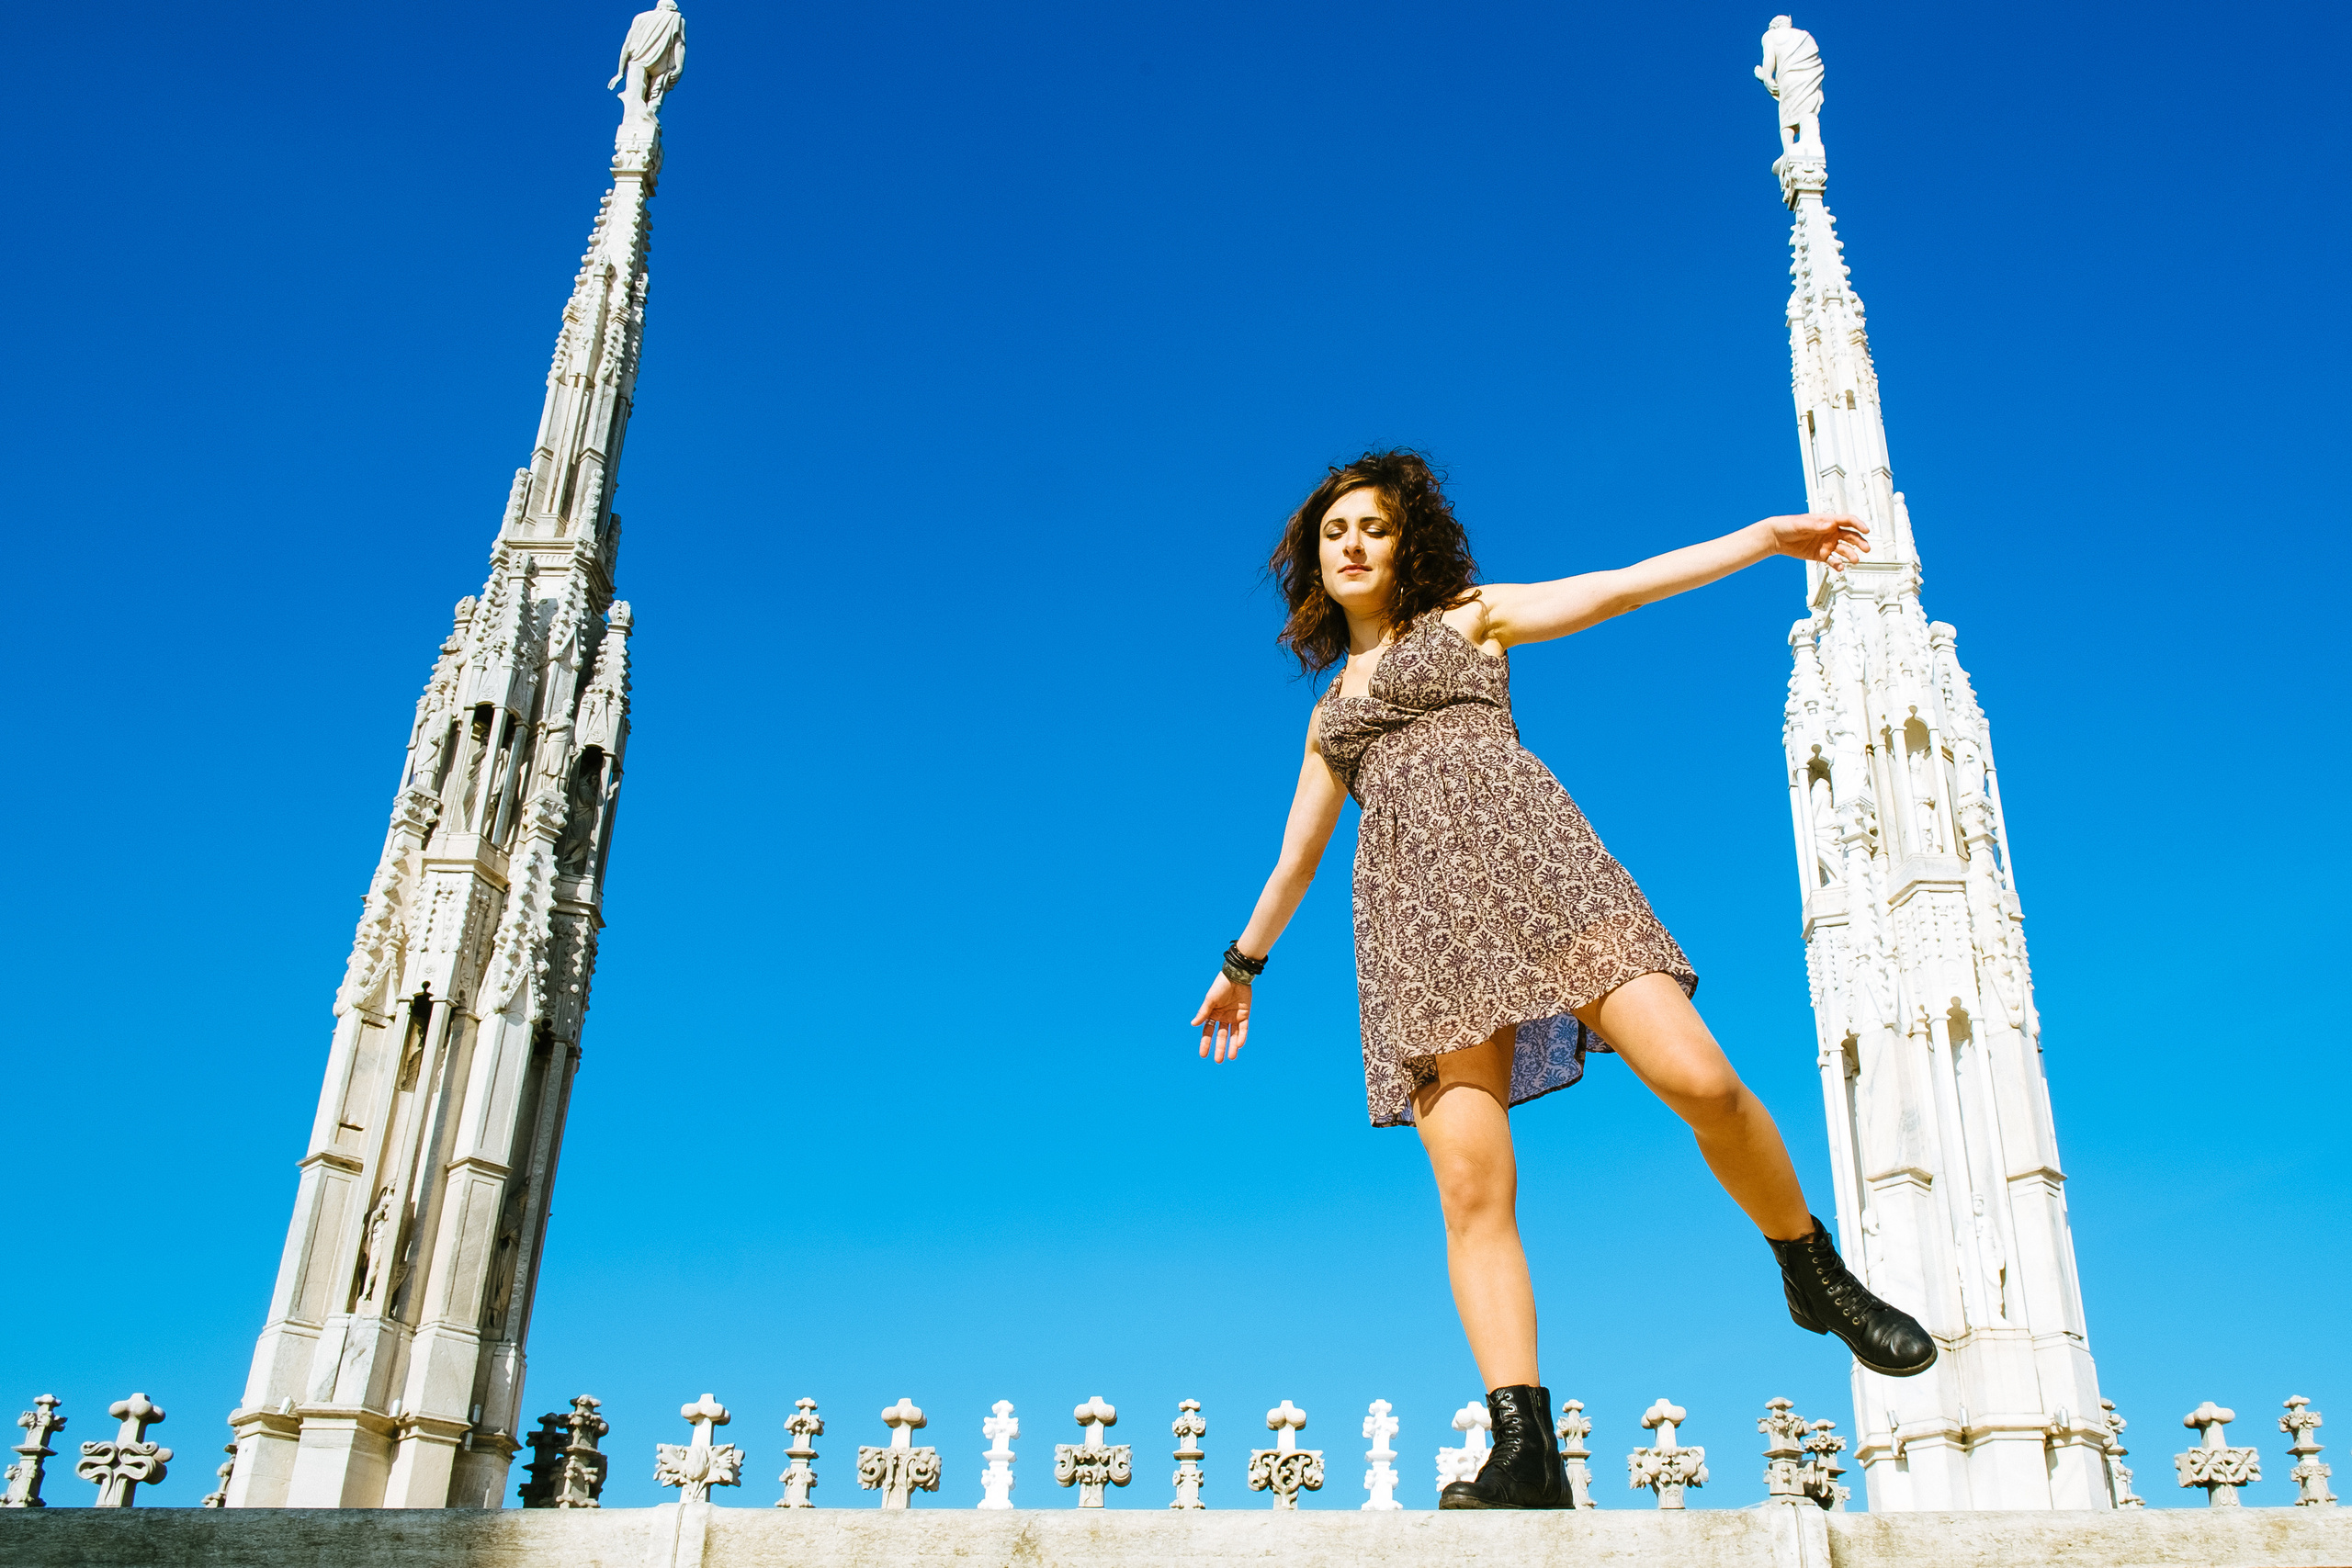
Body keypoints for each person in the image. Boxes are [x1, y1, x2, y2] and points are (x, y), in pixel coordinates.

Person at [1189, 451, 1935, 1511]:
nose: (1352, 543)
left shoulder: (1466, 620)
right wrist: (1241, 968)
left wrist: (1762, 541)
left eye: (1373, 528)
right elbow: (1296, 858)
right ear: (1315, 563)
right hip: (1419, 927)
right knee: (1472, 1188)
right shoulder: (1327, 718)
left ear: (1406, 548)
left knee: (1702, 1082)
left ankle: (1810, 1269)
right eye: (1333, 532)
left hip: (1543, 874)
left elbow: (1619, 587)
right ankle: (1525, 1451)